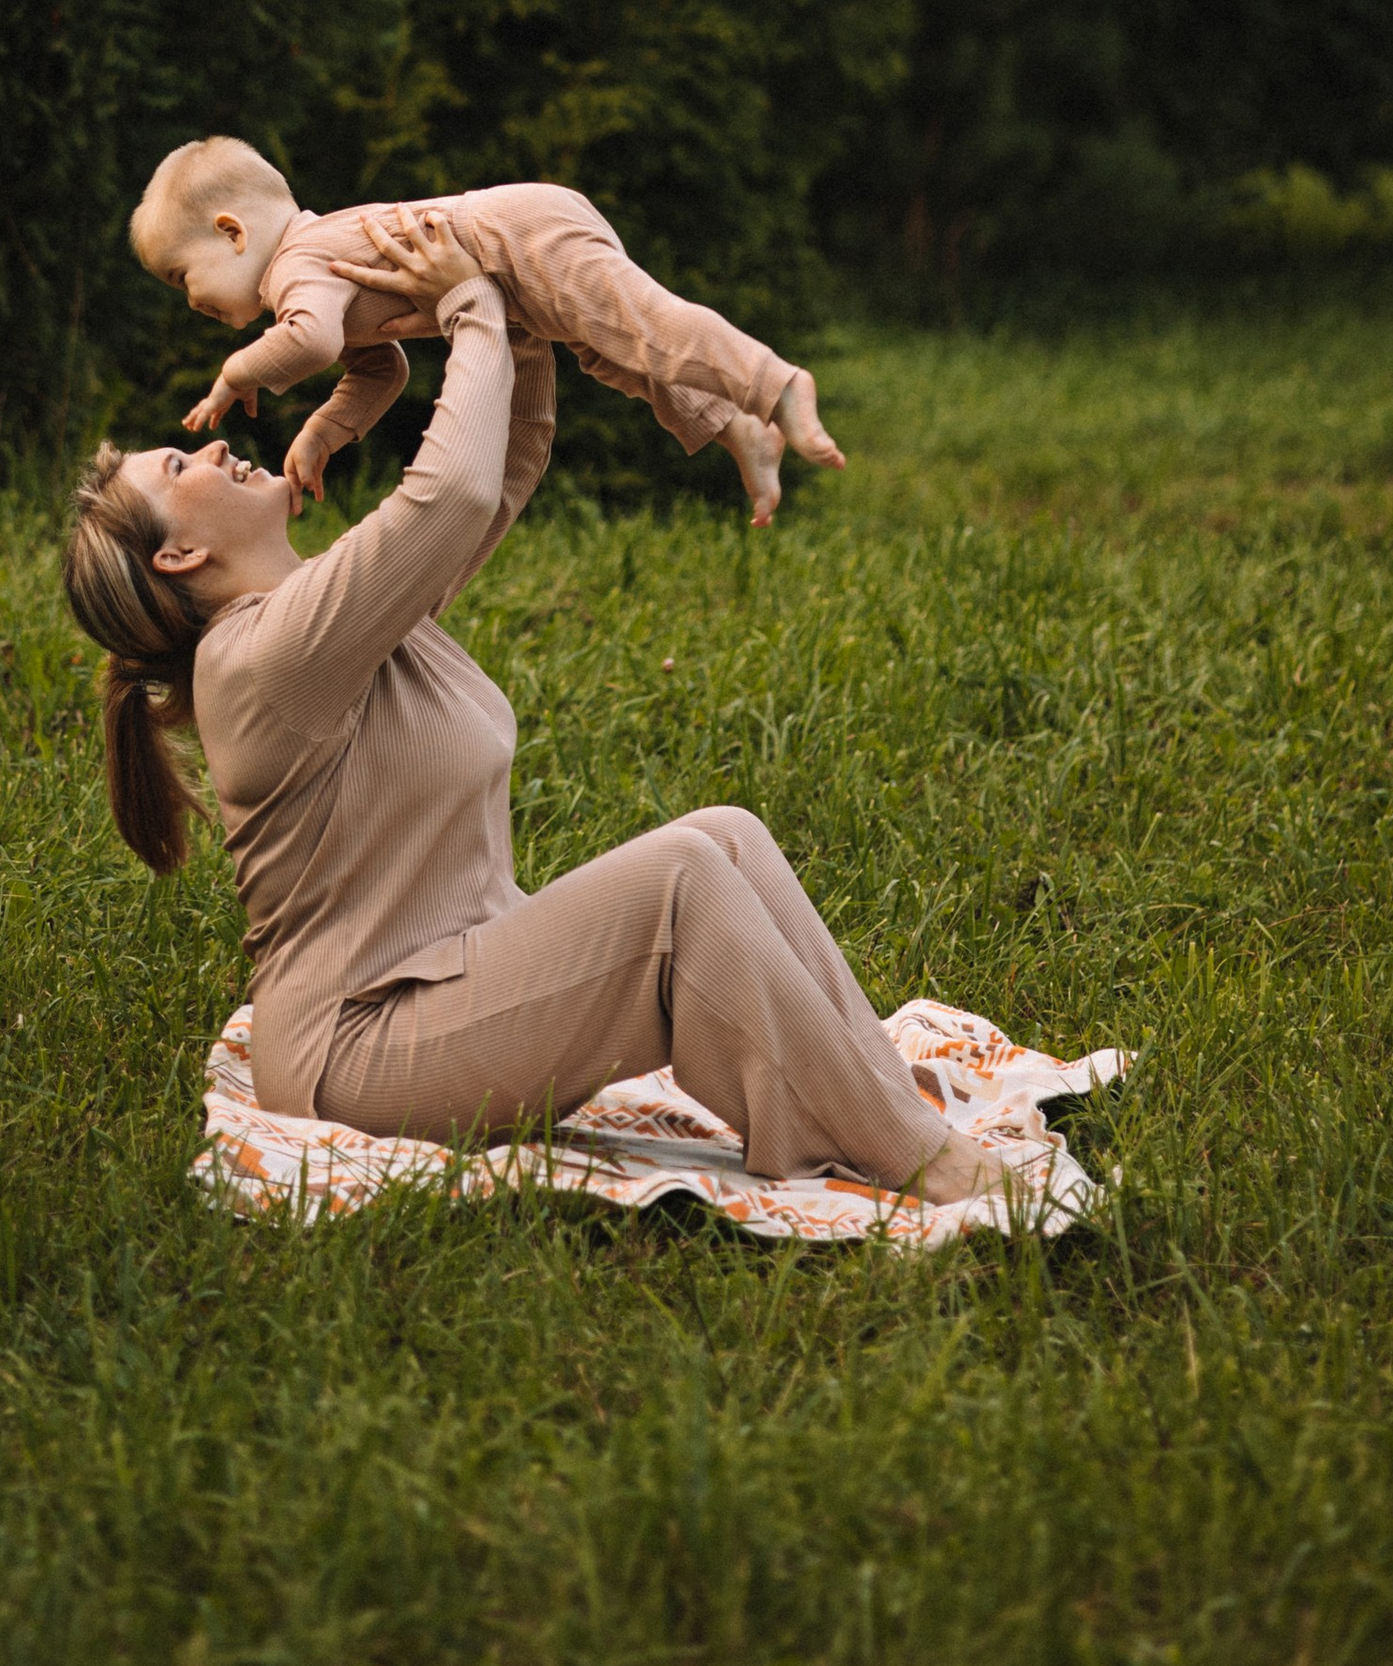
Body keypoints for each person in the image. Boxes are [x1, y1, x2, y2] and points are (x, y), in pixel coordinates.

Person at [65, 200, 997, 1201]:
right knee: (681, 877)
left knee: (724, 834)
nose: (209, 451)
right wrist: (465, 304)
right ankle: (918, 1161)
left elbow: (499, 470)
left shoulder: (324, 613)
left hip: (451, 993)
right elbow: (451, 495)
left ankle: (874, 1105)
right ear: (178, 553)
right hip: (360, 1054)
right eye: (179, 465)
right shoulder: (264, 660)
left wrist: (510, 313)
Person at [130, 134, 839, 524]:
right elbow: (381, 370)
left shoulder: (296, 263)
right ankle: (736, 426)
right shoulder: (315, 271)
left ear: (231, 233)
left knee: (643, 325)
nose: (188, 301)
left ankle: (777, 383)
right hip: (513, 257)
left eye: (179, 277)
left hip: (515, 235)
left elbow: (311, 343)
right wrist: (324, 431)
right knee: (614, 352)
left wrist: (238, 373)